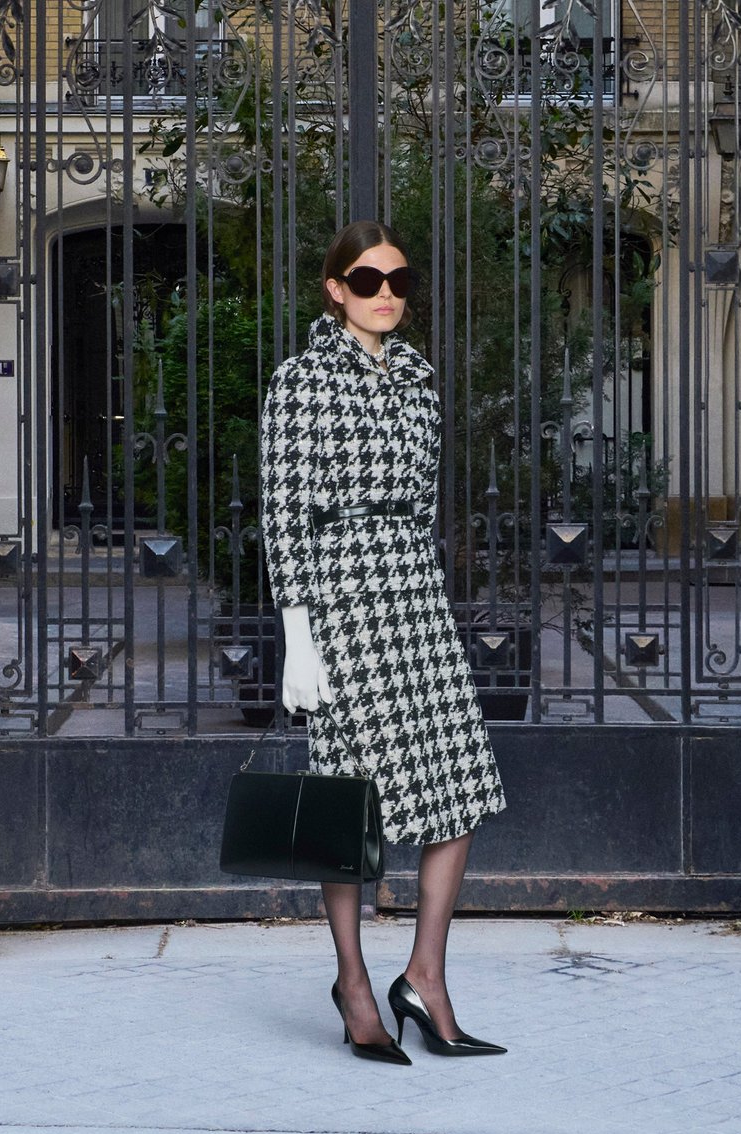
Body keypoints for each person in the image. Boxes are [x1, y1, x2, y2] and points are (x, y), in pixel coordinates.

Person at [260, 220, 507, 1065]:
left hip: (414, 594)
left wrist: (426, 589)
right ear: (336, 290)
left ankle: (425, 978)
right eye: (367, 281)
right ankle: (354, 984)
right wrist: (298, 634)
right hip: (340, 599)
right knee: (349, 796)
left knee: (461, 781)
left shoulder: (418, 379)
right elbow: (284, 512)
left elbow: (426, 502)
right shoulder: (301, 380)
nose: (386, 295)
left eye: (398, 280)